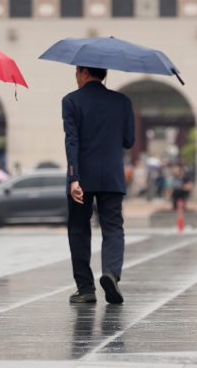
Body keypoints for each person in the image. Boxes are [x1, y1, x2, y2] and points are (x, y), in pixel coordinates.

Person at [62, 65, 135, 305]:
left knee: (79, 229)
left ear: (83, 72)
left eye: (76, 73)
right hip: (112, 176)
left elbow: (72, 142)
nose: (76, 78)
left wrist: (74, 177)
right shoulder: (122, 101)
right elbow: (128, 140)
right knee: (113, 227)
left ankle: (86, 289)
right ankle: (111, 273)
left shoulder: (71, 101)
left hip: (82, 176)